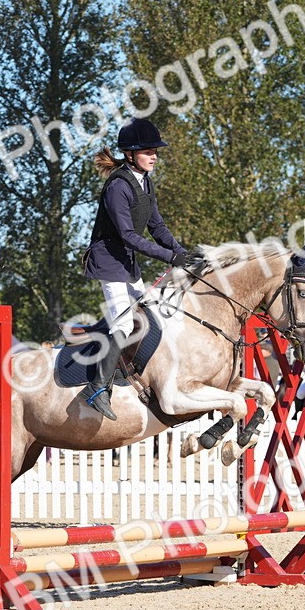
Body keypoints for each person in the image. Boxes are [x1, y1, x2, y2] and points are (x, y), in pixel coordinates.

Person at [80, 118, 190, 420]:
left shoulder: (145, 181)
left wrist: (182, 253)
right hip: (108, 261)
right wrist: (169, 257)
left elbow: (157, 226)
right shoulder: (118, 186)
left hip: (126, 262)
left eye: (155, 151)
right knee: (125, 325)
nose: (154, 156)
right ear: (130, 154)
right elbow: (128, 235)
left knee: (150, 316)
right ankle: (97, 388)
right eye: (148, 152)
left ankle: (136, 373)